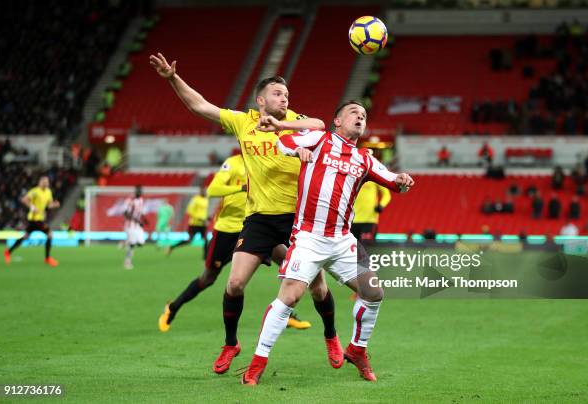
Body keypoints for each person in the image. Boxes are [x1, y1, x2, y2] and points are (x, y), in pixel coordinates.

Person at [150, 53, 335, 374]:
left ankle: (331, 336)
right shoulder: (243, 122)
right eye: (278, 94)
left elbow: (319, 124)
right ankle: (231, 343)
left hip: (297, 221)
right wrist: (171, 78)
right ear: (260, 99)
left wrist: (283, 123)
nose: (284, 98)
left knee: (317, 287)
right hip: (259, 219)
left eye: (287, 94)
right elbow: (200, 106)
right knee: (234, 283)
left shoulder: (296, 122)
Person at [241, 101, 415, 385]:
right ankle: (258, 361)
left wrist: (403, 179)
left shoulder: (364, 159)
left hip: (342, 240)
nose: (360, 117)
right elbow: (284, 142)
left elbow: (393, 181)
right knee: (290, 296)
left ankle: (357, 349)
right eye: (353, 113)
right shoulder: (319, 138)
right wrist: (295, 149)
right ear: (337, 120)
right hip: (309, 237)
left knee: (373, 292)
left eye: (364, 115)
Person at [158, 153, 309, 331]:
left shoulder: (266, 161)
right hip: (228, 230)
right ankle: (172, 308)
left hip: (256, 228)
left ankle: (285, 314)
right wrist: (242, 187)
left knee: (290, 264)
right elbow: (212, 190)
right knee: (208, 278)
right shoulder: (232, 163)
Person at [4, 176, 60, 266]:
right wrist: (32, 206)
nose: (46, 183)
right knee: (50, 234)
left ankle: (8, 252)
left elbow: (49, 205)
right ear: (40, 182)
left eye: (47, 182)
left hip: (39, 218)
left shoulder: (48, 192)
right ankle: (47, 258)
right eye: (44, 182)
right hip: (34, 219)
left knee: (25, 236)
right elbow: (24, 199)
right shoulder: (35, 191)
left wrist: (54, 205)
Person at [167, 186, 208, 256]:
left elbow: (204, 212)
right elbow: (189, 210)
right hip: (194, 224)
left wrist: (206, 218)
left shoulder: (206, 200)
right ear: (200, 191)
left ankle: (205, 257)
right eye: (203, 191)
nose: (204, 192)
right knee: (189, 240)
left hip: (202, 224)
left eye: (205, 191)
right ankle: (172, 246)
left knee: (206, 241)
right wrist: (198, 218)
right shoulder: (195, 199)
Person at [123, 185, 146, 270]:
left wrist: (144, 220)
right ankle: (127, 261)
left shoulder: (141, 200)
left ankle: (126, 243)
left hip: (138, 226)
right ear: (135, 191)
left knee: (141, 243)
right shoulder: (130, 201)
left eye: (140, 190)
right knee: (132, 244)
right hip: (130, 226)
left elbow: (140, 212)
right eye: (138, 190)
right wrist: (136, 220)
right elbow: (125, 213)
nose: (139, 192)